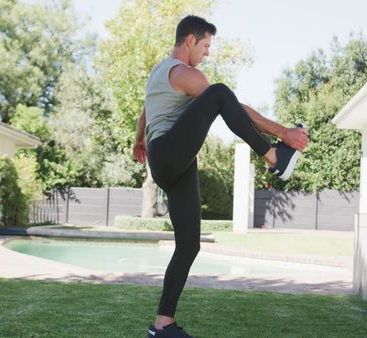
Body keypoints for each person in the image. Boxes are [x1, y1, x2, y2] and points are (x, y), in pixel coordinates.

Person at [132, 15, 308, 338]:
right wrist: (284, 133)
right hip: (170, 154)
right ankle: (273, 157)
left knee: (189, 245)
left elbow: (146, 110)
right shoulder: (183, 74)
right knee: (221, 93)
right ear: (189, 41)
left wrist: (138, 138)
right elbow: (233, 106)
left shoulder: (158, 73)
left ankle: (162, 324)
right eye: (205, 45)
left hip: (169, 163)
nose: (207, 53)